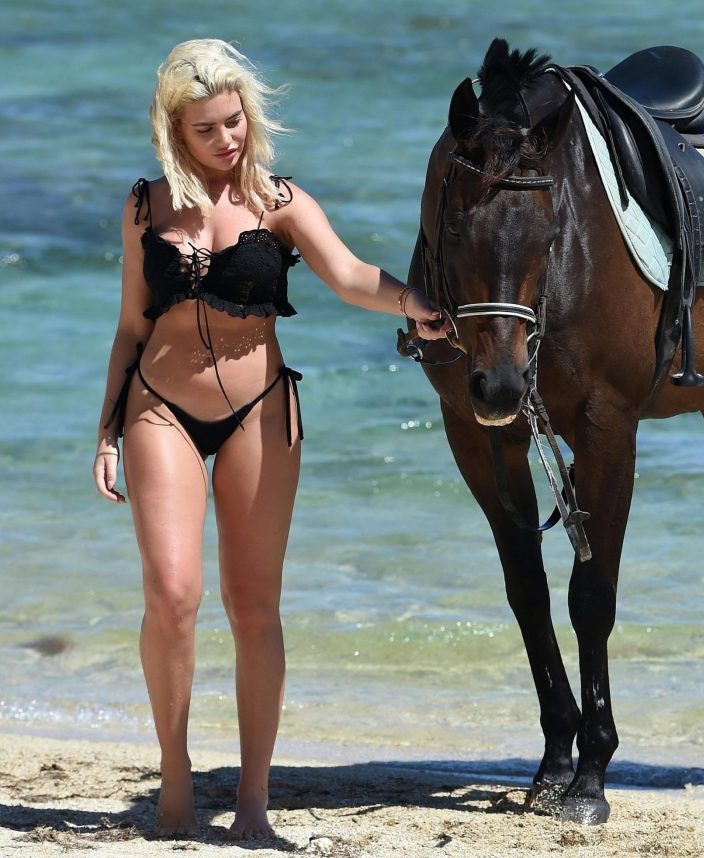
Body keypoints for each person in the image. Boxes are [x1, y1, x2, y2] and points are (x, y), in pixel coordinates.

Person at [91, 38, 450, 840]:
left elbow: (352, 276)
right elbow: (127, 327)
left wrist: (418, 305)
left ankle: (252, 801)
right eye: (207, 130)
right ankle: (176, 785)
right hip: (159, 407)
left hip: (259, 411)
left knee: (253, 607)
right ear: (174, 135)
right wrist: (106, 431)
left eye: (234, 121)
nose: (227, 140)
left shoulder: (279, 201)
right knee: (172, 597)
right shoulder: (146, 205)